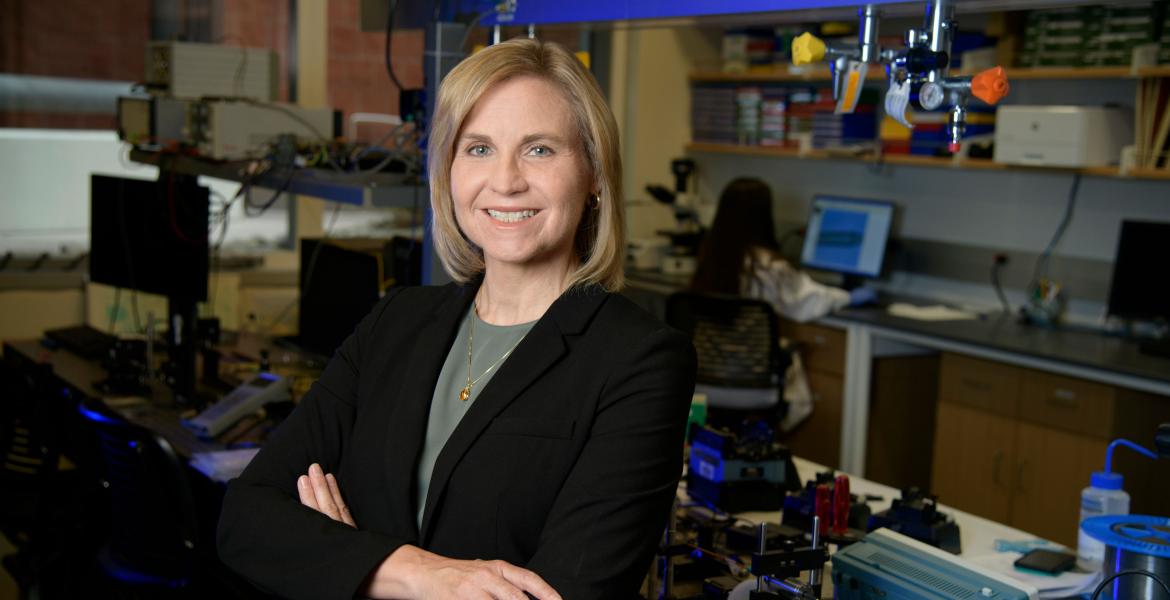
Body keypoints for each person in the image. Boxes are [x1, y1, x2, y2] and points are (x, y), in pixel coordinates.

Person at [217, 39, 697, 600]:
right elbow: (245, 519)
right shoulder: (398, 321)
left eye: (539, 150)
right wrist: (414, 573)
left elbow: (570, 593)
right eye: (478, 149)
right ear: (448, 170)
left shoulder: (639, 361)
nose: (506, 180)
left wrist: (343, 560)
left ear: (593, 173)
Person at [689, 178, 865, 323]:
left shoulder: (711, 254)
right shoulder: (769, 265)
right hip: (750, 362)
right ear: (762, 217)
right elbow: (805, 303)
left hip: (710, 356)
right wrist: (848, 297)